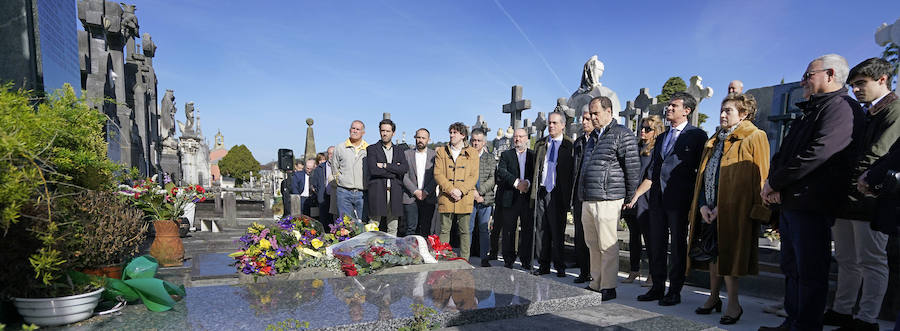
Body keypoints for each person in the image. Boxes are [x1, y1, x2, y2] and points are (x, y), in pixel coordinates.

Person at [759, 54, 863, 331]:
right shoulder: (813, 108)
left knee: (810, 272)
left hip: (813, 203)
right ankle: (792, 321)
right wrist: (772, 183)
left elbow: (819, 153)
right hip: (794, 201)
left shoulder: (841, 108)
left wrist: (777, 182)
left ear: (830, 74)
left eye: (808, 75)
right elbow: (786, 150)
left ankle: (805, 326)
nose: (803, 81)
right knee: (792, 268)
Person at [822, 57, 899, 331]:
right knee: (846, 258)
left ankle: (867, 319)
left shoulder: (895, 110)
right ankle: (843, 311)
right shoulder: (868, 112)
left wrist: (857, 181)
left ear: (882, 80)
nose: (855, 90)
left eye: (861, 84)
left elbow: (879, 154)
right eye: (853, 85)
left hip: (870, 197)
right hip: (848, 197)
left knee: (871, 260)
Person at [685, 93, 770, 325]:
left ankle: (734, 303)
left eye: (728, 111)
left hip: (735, 210)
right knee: (713, 254)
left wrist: (758, 210)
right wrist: (703, 205)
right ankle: (713, 298)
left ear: (744, 114)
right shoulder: (714, 140)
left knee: (729, 256)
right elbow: (704, 176)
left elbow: (761, 176)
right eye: (722, 110)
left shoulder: (755, 136)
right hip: (710, 210)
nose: (722, 114)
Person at [636, 92, 708, 306]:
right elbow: (655, 168)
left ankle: (674, 290)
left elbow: (699, 171)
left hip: (679, 200)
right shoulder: (662, 137)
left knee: (677, 245)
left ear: (687, 110)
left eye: (674, 106)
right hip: (657, 200)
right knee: (656, 244)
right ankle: (657, 287)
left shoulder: (697, 135)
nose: (668, 108)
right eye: (668, 105)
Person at [578, 96, 640, 301]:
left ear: (609, 112)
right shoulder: (592, 138)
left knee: (607, 244)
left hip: (608, 196)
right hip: (589, 198)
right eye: (591, 113)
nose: (592, 117)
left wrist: (630, 198)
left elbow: (632, 168)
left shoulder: (622, 134)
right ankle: (595, 282)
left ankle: (608, 286)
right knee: (592, 243)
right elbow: (584, 169)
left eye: (596, 113)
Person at [531, 112, 576, 277]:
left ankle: (559, 265)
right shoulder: (541, 144)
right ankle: (542, 265)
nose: (551, 126)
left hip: (558, 192)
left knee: (557, 230)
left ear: (563, 125)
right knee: (541, 229)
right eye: (550, 123)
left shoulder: (569, 145)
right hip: (542, 190)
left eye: (555, 123)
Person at [623, 115, 664, 285]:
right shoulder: (636, 147)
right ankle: (634, 270)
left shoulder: (656, 150)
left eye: (648, 129)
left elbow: (651, 177)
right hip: (632, 196)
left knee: (649, 237)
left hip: (645, 197)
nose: (643, 131)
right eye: (642, 127)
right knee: (633, 236)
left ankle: (653, 274)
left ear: (656, 132)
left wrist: (636, 196)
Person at [434, 122, 479, 259]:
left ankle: (465, 260)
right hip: (446, 196)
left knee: (465, 231)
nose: (451, 135)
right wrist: (450, 189)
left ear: (463, 135)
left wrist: (460, 190)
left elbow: (473, 175)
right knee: (444, 230)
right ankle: (442, 258)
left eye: (455, 132)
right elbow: (438, 173)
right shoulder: (442, 151)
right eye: (451, 132)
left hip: (464, 197)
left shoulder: (472, 153)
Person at [495, 128, 535, 270]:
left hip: (527, 198)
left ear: (526, 138)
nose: (517, 139)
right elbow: (502, 171)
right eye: (515, 137)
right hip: (510, 197)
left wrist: (527, 183)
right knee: (509, 230)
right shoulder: (506, 155)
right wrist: (517, 183)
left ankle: (525, 260)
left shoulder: (533, 155)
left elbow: (535, 172)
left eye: (520, 136)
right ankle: (508, 259)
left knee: (527, 230)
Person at [365, 119, 408, 236]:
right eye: (382, 130)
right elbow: (373, 170)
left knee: (393, 225)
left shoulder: (399, 150)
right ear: (379, 131)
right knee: (373, 224)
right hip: (377, 190)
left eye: (388, 131)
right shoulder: (372, 149)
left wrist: (384, 165)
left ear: (393, 133)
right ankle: (370, 249)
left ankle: (391, 250)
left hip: (395, 190)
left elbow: (404, 169)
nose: (385, 133)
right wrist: (395, 170)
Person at [572, 115, 595, 284]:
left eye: (588, 119)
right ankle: (584, 271)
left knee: (595, 237)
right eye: (583, 119)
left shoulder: (599, 140)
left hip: (594, 194)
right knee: (580, 235)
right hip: (579, 194)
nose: (584, 122)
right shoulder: (578, 142)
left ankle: (596, 273)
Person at [402, 128, 438, 236]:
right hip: (410, 196)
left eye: (423, 138)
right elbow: (403, 175)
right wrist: (415, 191)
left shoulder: (435, 156)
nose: (420, 140)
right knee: (411, 228)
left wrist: (426, 191)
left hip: (429, 196)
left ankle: (424, 252)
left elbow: (437, 175)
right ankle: (409, 252)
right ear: (415, 138)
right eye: (418, 137)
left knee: (426, 229)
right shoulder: (406, 154)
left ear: (428, 140)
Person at [470, 128, 496, 267]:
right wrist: (473, 193)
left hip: (485, 199)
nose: (476, 143)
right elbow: (463, 178)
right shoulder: (465, 156)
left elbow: (492, 178)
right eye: (473, 140)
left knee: (484, 229)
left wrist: (479, 192)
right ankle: (465, 257)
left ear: (484, 142)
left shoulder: (490, 158)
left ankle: (484, 257)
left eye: (479, 141)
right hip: (469, 198)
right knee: (467, 229)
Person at [332, 120, 369, 220]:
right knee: (345, 225)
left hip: (362, 192)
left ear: (363, 132)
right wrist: (340, 179)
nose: (355, 131)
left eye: (358, 129)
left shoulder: (369, 149)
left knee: (363, 224)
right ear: (349, 130)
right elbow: (334, 168)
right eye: (353, 128)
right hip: (344, 191)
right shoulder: (340, 147)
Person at [311, 146, 335, 225]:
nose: (331, 155)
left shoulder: (341, 166)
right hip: (323, 197)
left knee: (335, 220)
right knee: (324, 221)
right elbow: (315, 184)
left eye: (333, 153)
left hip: (336, 197)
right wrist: (320, 193)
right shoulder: (319, 168)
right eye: (329, 153)